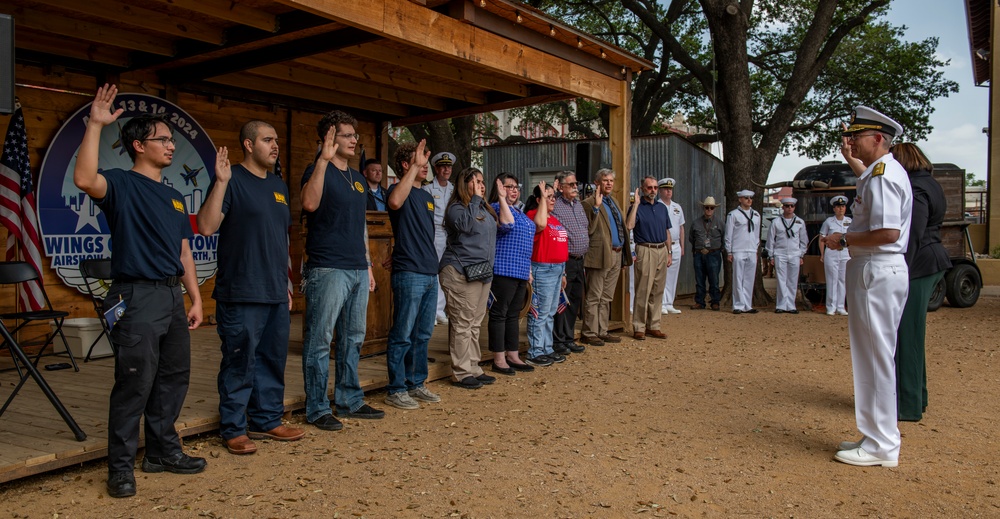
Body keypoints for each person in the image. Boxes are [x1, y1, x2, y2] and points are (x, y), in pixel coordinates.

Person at [74, 84, 206, 498]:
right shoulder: (120, 184)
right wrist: (96, 124)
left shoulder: (174, 196)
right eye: (163, 139)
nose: (171, 145)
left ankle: (162, 453)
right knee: (134, 382)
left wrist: (196, 296)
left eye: (172, 139)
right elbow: (83, 177)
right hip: (136, 296)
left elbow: (184, 249)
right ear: (138, 145)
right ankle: (120, 468)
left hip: (171, 297)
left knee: (172, 379)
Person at [197, 121, 304, 456]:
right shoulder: (232, 180)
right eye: (267, 140)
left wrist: (286, 285)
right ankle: (233, 428)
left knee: (272, 359)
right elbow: (206, 226)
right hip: (241, 290)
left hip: (274, 289)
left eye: (276, 140)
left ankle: (267, 419)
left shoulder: (278, 186)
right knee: (239, 361)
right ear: (247, 144)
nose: (274, 146)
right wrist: (222, 182)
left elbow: (280, 239)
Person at [824, 105, 911, 468]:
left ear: (878, 138)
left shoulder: (884, 175)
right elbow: (866, 184)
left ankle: (882, 445)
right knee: (872, 356)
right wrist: (850, 158)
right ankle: (875, 433)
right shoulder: (878, 172)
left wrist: (843, 240)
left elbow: (888, 232)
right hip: (874, 269)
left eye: (857, 137)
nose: (851, 141)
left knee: (876, 358)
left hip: (877, 268)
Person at [300, 110, 383, 432]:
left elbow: (360, 225)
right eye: (347, 135)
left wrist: (368, 265)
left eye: (354, 135)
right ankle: (317, 407)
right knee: (320, 340)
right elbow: (309, 204)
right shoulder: (316, 169)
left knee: (353, 338)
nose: (354, 140)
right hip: (327, 267)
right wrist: (323, 159)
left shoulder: (360, 179)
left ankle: (349, 399)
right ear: (329, 139)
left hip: (357, 269)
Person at [892, 142, 951, 422]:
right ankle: (918, 396)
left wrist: (901, 267)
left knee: (907, 336)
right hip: (932, 258)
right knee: (912, 334)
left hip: (919, 262)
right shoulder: (932, 183)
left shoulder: (915, 188)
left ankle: (908, 405)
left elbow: (913, 232)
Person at [382, 140, 442, 409]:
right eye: (420, 160)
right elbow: (394, 203)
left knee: (423, 333)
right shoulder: (398, 190)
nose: (425, 165)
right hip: (409, 271)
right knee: (402, 333)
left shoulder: (427, 197)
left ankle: (416, 383)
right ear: (406, 165)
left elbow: (421, 233)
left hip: (429, 270)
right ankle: (395, 388)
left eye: (425, 161)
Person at [440, 168, 510, 388]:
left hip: (482, 271)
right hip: (460, 271)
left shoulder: (484, 208)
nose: (481, 185)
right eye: (476, 181)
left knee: (475, 322)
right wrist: (476, 200)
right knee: (462, 322)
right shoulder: (456, 208)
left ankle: (473, 367)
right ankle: (461, 372)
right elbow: (465, 226)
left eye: (482, 180)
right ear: (465, 184)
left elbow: (504, 227)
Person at [488, 173, 541, 367]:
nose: (514, 190)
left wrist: (528, 270)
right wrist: (502, 200)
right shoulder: (495, 208)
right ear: (499, 188)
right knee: (499, 313)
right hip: (503, 269)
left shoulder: (520, 212)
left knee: (513, 315)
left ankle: (513, 354)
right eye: (508, 186)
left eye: (516, 187)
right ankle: (499, 358)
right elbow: (506, 225)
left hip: (520, 270)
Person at [581, 168, 632, 346]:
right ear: (597, 183)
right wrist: (595, 207)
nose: (609, 183)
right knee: (594, 295)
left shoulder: (614, 202)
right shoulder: (588, 203)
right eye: (605, 180)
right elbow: (588, 230)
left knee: (607, 296)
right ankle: (589, 332)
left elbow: (622, 228)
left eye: (611, 180)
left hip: (617, 253)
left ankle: (602, 330)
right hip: (600, 254)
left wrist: (625, 255)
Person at [522, 183, 569, 367]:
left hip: (557, 269)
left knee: (550, 313)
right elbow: (540, 226)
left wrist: (563, 271)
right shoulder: (535, 216)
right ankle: (535, 351)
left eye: (553, 197)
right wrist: (541, 196)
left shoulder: (554, 219)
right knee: (540, 313)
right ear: (539, 200)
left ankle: (547, 348)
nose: (552, 200)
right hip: (543, 268)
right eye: (548, 196)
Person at [626, 176, 671, 340]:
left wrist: (669, 252)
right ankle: (639, 326)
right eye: (649, 187)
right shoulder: (637, 207)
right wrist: (636, 205)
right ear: (643, 189)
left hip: (661, 249)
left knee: (658, 290)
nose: (652, 191)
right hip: (645, 249)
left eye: (655, 188)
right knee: (643, 289)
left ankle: (654, 325)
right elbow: (629, 226)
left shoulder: (661, 208)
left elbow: (667, 231)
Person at [550, 171, 589, 355]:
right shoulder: (555, 205)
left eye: (576, 184)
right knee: (562, 302)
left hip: (580, 261)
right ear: (560, 186)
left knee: (574, 301)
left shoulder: (578, 204)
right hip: (565, 261)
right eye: (571, 184)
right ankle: (558, 341)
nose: (575, 187)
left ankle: (568, 337)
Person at [424, 152, 455, 325]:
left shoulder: (453, 189)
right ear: (436, 168)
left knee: (446, 271)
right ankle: (432, 311)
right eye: (443, 166)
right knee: (433, 270)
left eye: (449, 166)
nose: (446, 169)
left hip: (450, 234)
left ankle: (440, 310)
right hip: (434, 232)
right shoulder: (427, 188)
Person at [766, 197, 807, 314]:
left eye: (792, 206)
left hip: (794, 253)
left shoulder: (800, 222)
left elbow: (804, 240)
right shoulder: (776, 222)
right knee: (781, 280)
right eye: (787, 206)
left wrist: (801, 254)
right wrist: (771, 255)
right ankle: (781, 304)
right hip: (780, 253)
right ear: (783, 207)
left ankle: (791, 305)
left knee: (792, 280)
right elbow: (770, 240)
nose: (789, 208)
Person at [725, 190, 761, 314]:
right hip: (738, 249)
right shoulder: (733, 215)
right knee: (738, 277)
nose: (749, 200)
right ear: (740, 199)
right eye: (746, 198)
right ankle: (738, 305)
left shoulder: (756, 215)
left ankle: (747, 304)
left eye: (750, 198)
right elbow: (728, 234)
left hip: (751, 249)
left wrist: (755, 248)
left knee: (749, 278)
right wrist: (729, 251)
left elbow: (756, 234)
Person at [688, 196, 724, 311]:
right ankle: (700, 301)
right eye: (707, 207)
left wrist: (718, 249)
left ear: (714, 209)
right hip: (699, 254)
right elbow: (691, 238)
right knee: (699, 279)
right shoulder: (696, 223)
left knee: (714, 279)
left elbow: (724, 237)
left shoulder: (719, 223)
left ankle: (715, 301)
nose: (709, 210)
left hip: (714, 254)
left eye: (711, 208)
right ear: (703, 208)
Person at [818, 196, 852, 315]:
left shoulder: (849, 221)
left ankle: (841, 306)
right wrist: (822, 254)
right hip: (832, 252)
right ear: (834, 208)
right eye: (838, 207)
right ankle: (831, 306)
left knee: (843, 280)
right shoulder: (829, 222)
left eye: (842, 206)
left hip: (845, 252)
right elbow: (821, 238)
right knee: (832, 280)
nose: (840, 209)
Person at [658, 178, 685, 314]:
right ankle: (661, 302)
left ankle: (669, 302)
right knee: (662, 275)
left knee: (673, 276)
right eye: (666, 189)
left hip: (675, 244)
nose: (669, 192)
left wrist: (682, 247)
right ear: (660, 191)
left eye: (670, 189)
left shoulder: (677, 207)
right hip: (662, 245)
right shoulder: (657, 205)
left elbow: (681, 228)